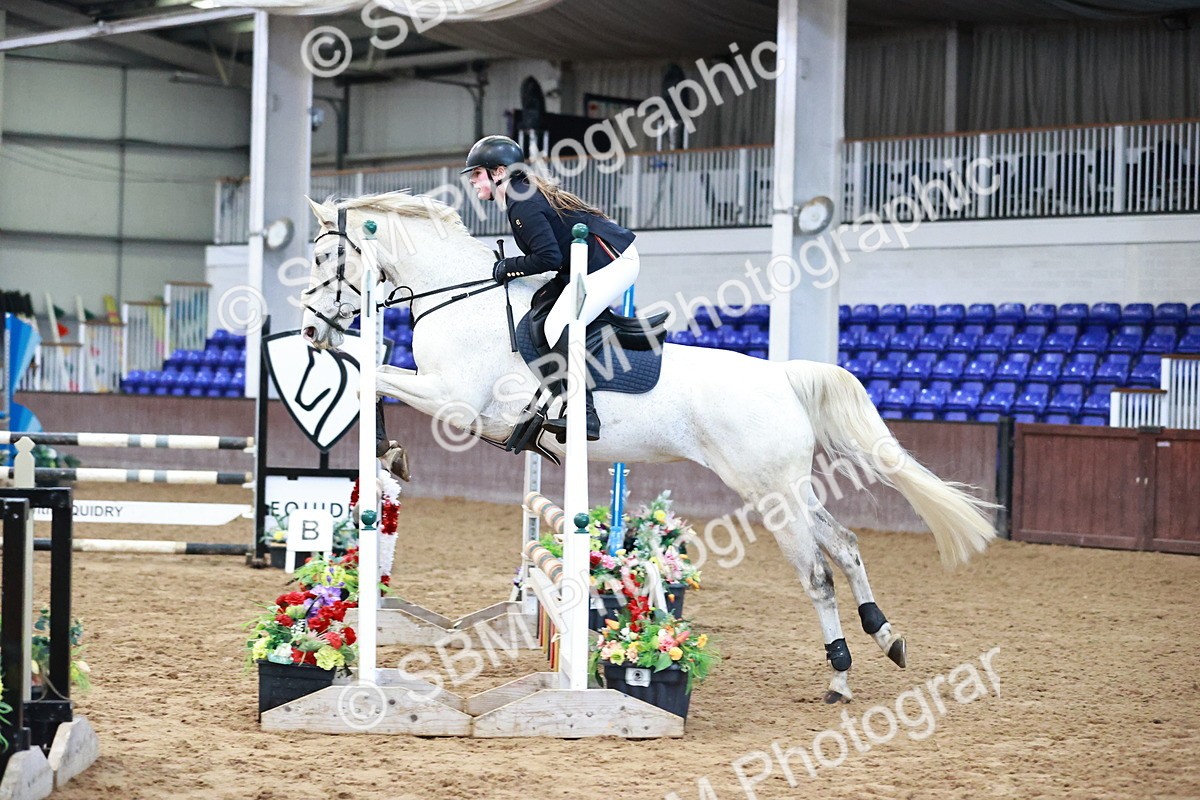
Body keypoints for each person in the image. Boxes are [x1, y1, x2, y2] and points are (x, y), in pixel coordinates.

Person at [462, 134, 639, 442]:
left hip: (612, 262)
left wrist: (509, 265)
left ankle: (584, 414)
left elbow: (548, 257)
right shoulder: (519, 197)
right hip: (585, 264)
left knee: (559, 323)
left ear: (499, 172)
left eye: (477, 173)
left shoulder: (522, 203)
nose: (473, 181)